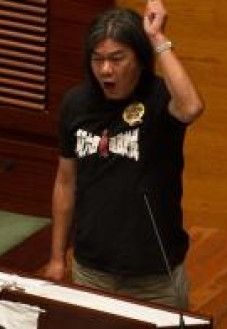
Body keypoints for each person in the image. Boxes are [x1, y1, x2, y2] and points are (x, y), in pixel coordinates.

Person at [44, 0, 204, 309]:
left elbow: (191, 107)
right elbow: (65, 181)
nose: (106, 69)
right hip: (92, 270)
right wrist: (56, 256)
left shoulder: (159, 98)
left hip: (155, 275)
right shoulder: (76, 104)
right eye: (98, 59)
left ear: (140, 60)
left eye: (117, 58)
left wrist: (158, 39)